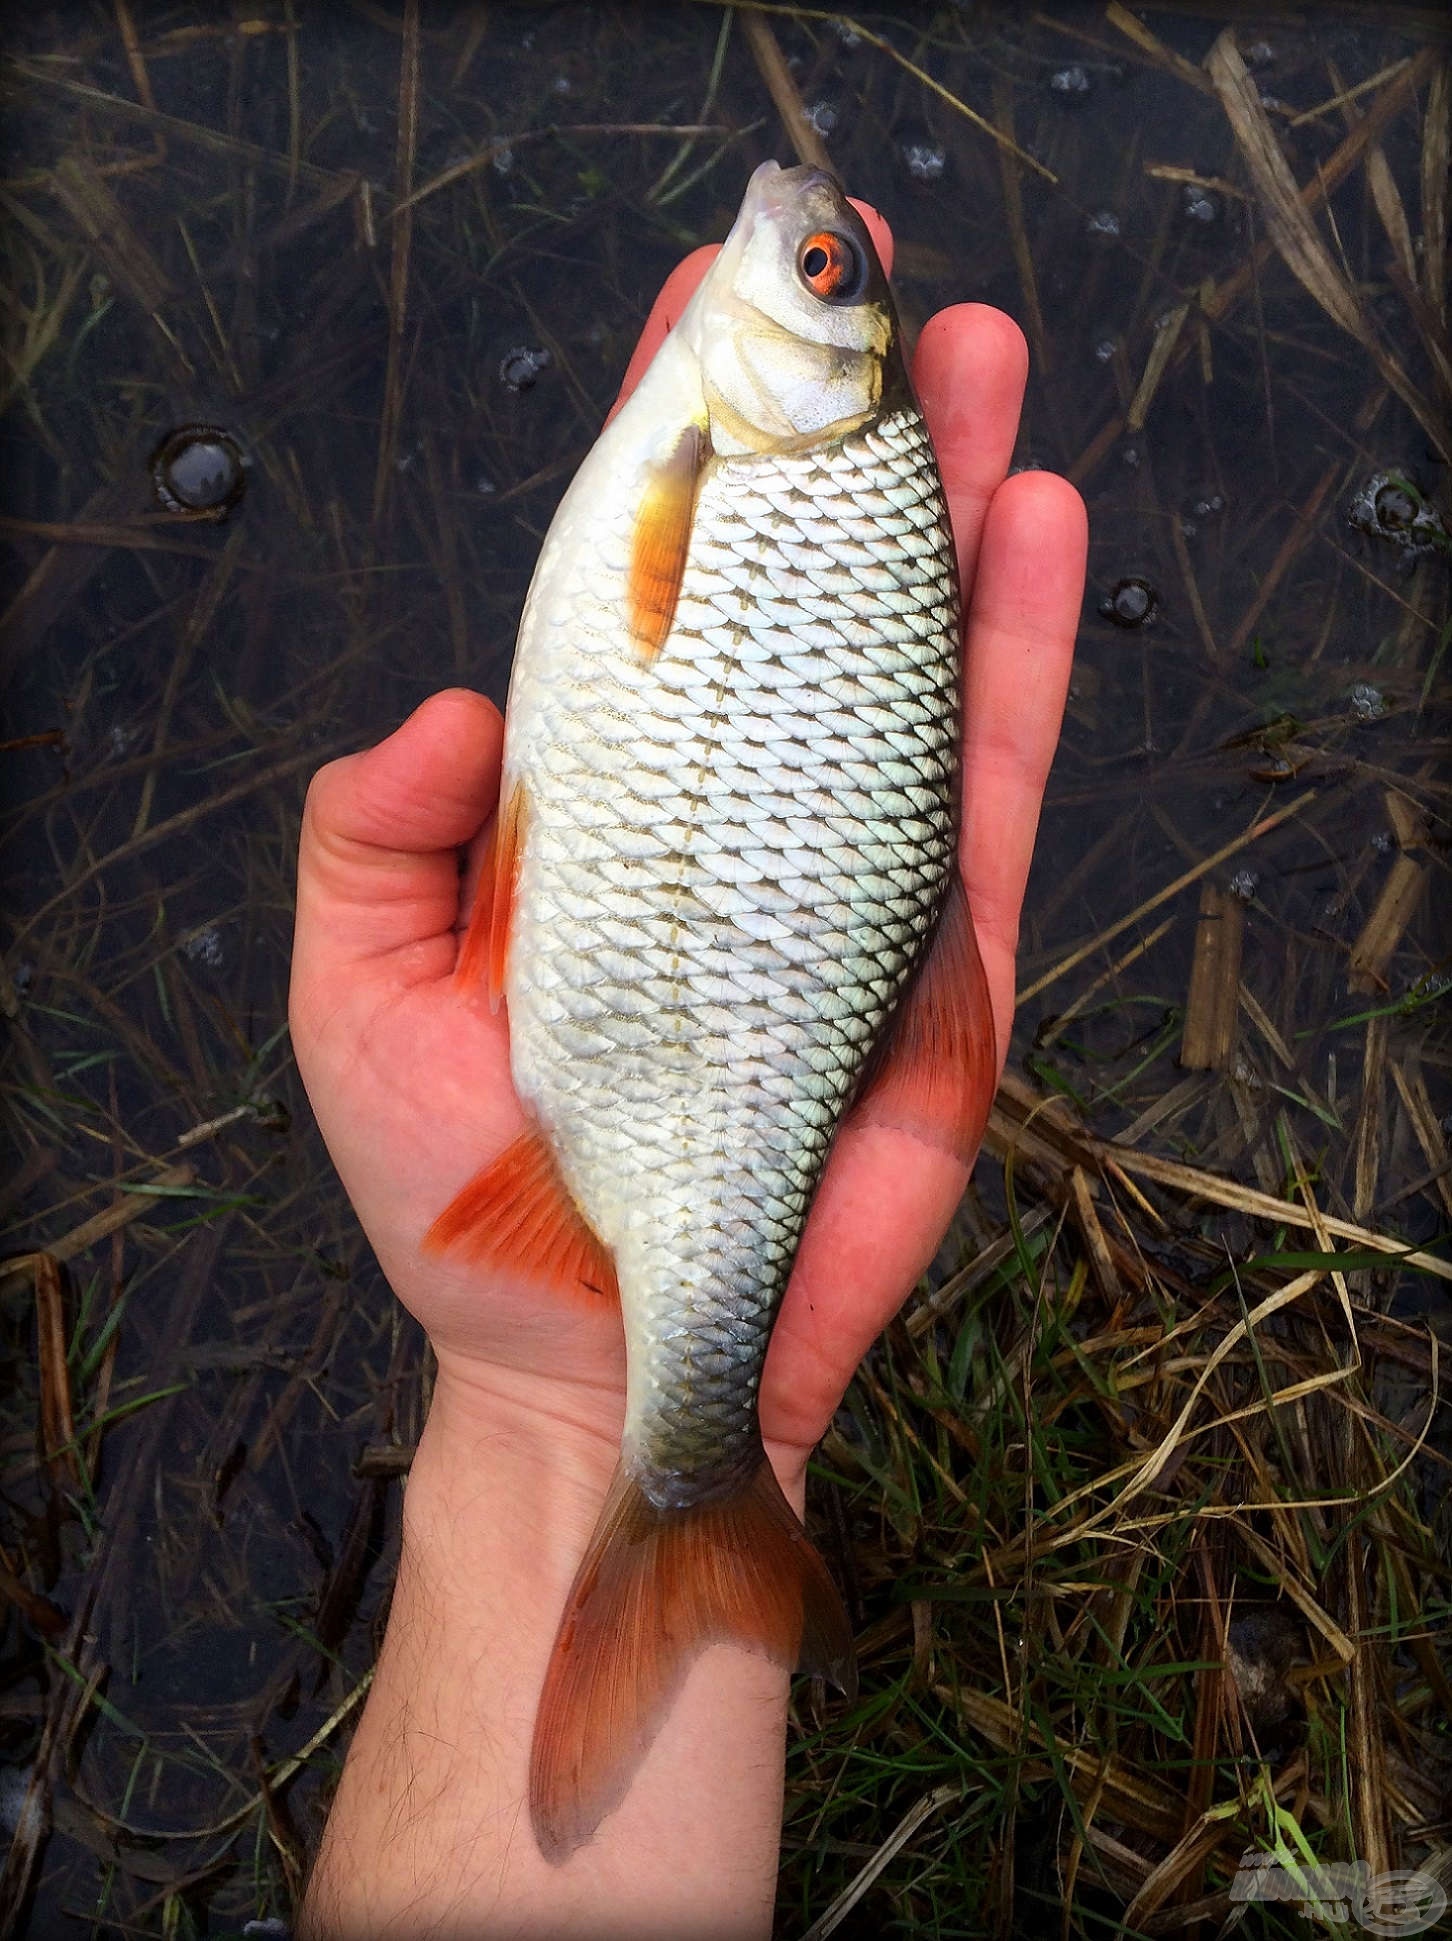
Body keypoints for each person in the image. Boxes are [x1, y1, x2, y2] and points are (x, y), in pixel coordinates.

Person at [289, 206, 1087, 1940]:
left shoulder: (732, 437)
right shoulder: (738, 436)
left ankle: (683, 1482)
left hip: (660, 1045)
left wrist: (540, 1415)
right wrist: (535, 1405)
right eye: (828, 270)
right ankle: (685, 1491)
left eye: (822, 274)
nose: (810, 235)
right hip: (669, 1035)